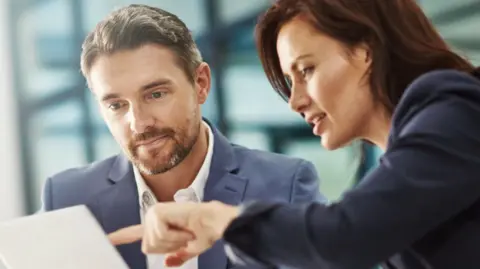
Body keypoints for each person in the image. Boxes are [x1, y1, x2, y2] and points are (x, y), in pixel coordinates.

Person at [107, 0, 480, 269]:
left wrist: (221, 219)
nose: (295, 101)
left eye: (306, 70)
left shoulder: (455, 109)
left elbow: (346, 237)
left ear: (367, 49)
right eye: (289, 81)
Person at [41, 4, 326, 269]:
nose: (139, 124)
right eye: (116, 105)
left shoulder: (285, 187)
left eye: (156, 94)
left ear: (200, 84)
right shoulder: (67, 199)